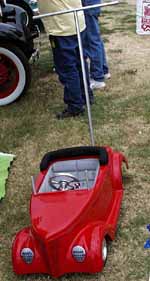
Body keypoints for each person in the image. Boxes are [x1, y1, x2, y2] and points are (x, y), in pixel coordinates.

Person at [38, 0, 93, 119]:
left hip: (62, 28)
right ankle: (86, 96)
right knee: (80, 63)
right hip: (77, 22)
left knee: (68, 69)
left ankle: (75, 106)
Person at [82, 0, 110, 90]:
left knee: (92, 41)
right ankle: (103, 71)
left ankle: (97, 78)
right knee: (95, 39)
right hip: (92, 5)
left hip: (88, 6)